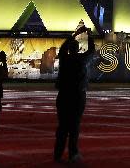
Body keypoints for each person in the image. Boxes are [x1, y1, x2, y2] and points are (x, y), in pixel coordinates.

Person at [54, 26, 95, 163]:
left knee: (62, 126)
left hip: (64, 95)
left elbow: (63, 48)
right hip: (77, 95)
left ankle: (58, 154)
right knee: (74, 125)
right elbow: (92, 50)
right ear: (77, 49)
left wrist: (75, 34)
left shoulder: (64, 59)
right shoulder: (81, 60)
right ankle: (73, 153)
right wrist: (88, 35)